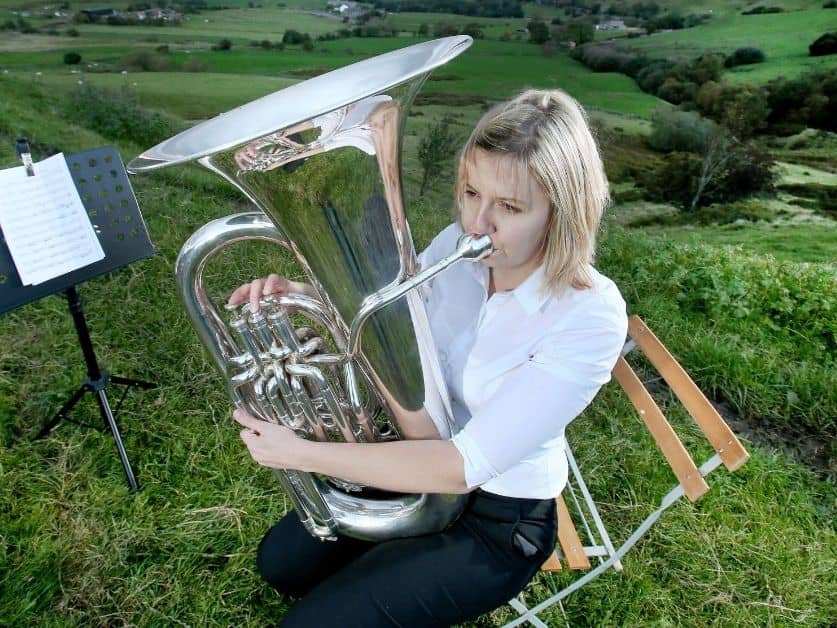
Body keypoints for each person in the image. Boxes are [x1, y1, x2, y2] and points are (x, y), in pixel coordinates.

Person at [227, 88, 628, 627]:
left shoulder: (589, 315)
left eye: (508, 207)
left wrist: (300, 453)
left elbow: (461, 467)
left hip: (495, 519)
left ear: (562, 213)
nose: (477, 222)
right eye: (469, 193)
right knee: (281, 566)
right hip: (413, 459)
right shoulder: (456, 248)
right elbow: (393, 313)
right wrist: (299, 294)